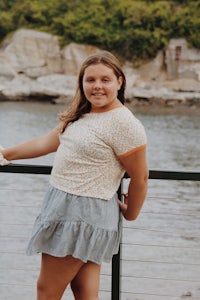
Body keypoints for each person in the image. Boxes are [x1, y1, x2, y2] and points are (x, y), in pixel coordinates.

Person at [0, 51, 148, 300]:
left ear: (119, 82)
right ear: (81, 83)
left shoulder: (124, 123)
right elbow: (47, 141)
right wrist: (5, 154)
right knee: (85, 293)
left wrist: (131, 213)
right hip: (69, 209)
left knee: (47, 290)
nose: (97, 86)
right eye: (90, 80)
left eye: (105, 79)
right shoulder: (82, 113)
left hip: (82, 215)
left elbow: (140, 177)